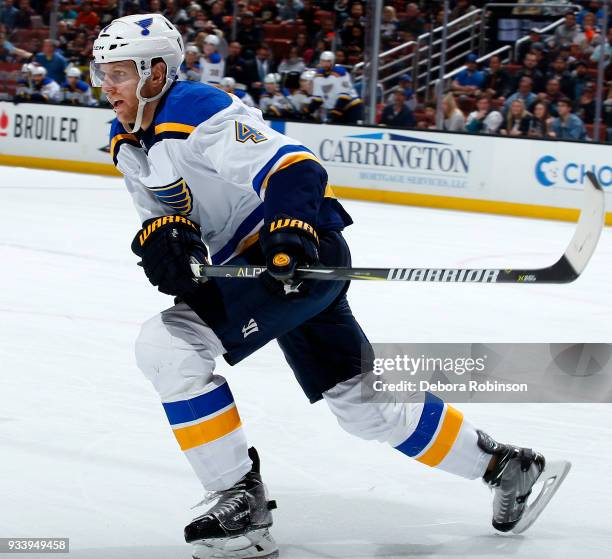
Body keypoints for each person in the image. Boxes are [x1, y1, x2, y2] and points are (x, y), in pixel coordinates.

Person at [91, 13, 569, 559]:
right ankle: (506, 467)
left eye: (120, 73)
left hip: (296, 257)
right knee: (366, 406)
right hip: (258, 272)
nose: (107, 86)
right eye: (102, 72)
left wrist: (289, 233)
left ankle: (239, 503)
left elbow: (295, 167)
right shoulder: (125, 138)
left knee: (169, 346)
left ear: (156, 74)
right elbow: (167, 215)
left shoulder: (197, 108)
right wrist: (167, 243)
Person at [309, 50, 363, 123]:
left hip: (352, 107)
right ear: (320, 62)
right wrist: (307, 111)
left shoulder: (341, 72)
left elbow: (344, 97)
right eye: (323, 61)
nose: (325, 64)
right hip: (337, 109)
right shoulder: (318, 76)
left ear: (332, 62)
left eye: (328, 61)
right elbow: (318, 99)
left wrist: (335, 113)